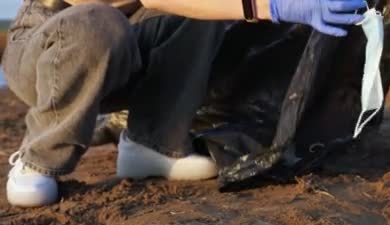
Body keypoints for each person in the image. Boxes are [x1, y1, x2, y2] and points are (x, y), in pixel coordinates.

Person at [2, 0, 367, 207]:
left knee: (205, 11)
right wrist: (268, 5)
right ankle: (40, 157)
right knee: (97, 22)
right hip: (49, 51)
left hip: (125, 48)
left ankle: (152, 142)